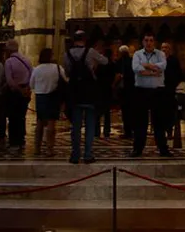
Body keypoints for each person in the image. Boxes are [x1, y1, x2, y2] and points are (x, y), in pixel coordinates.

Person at [62, 30, 108, 164]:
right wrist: (94, 65)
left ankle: (75, 154)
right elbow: (105, 61)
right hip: (89, 92)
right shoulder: (91, 52)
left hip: (75, 92)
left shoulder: (67, 54)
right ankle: (88, 154)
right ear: (84, 39)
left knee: (75, 126)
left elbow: (67, 71)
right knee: (90, 125)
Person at [130, 34, 172, 157]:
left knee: (159, 122)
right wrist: (153, 71)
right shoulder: (137, 54)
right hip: (141, 91)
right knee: (140, 122)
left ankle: (163, 148)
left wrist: (145, 66)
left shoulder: (161, 54)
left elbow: (162, 66)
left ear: (154, 42)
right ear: (143, 42)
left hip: (157, 91)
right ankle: (137, 149)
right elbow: (136, 68)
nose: (149, 43)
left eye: (151, 40)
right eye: (146, 40)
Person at [30, 47, 65, 158]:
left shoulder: (37, 69)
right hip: (53, 97)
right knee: (51, 123)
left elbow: (31, 84)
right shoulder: (57, 68)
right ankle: (50, 148)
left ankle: (36, 148)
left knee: (40, 122)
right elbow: (65, 80)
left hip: (40, 96)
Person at [2, 39, 32, 155]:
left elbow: (10, 81)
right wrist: (27, 89)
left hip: (15, 93)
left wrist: (19, 90)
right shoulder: (26, 60)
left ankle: (14, 143)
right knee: (21, 117)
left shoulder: (9, 62)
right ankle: (21, 140)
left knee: (13, 118)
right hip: (25, 91)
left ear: (8, 50)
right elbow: (31, 74)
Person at [115, 45, 135, 137]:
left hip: (124, 90)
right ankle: (132, 130)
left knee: (125, 112)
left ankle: (128, 132)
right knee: (132, 111)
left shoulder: (120, 62)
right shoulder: (133, 61)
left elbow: (119, 75)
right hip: (132, 89)